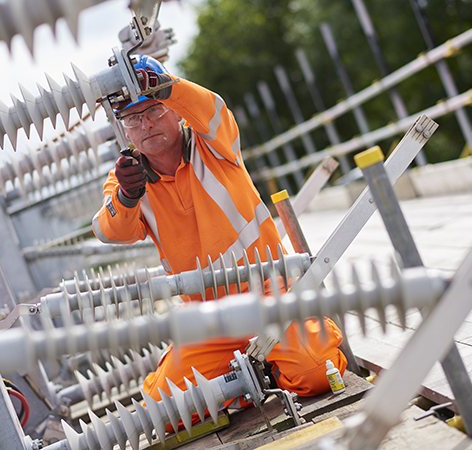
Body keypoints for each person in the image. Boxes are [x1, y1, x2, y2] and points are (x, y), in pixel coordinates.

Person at [92, 55, 346, 424]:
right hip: (210, 321)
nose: (145, 123)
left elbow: (211, 109)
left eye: (154, 110)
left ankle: (264, 369)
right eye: (133, 118)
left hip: (272, 297)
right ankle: (252, 378)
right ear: (124, 131)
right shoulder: (126, 179)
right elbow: (109, 230)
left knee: (317, 372)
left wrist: (167, 85)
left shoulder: (214, 144)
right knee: (163, 415)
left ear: (174, 110)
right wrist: (127, 198)